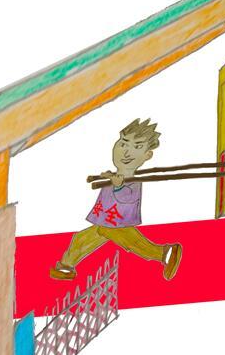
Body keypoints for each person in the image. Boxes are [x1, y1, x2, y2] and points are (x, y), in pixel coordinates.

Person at [50, 118, 182, 280]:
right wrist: (111, 179)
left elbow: (127, 197)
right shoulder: (116, 176)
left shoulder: (133, 180)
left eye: (137, 147)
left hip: (117, 221)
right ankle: (66, 265)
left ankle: (163, 253)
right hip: (106, 219)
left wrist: (118, 185)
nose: (126, 152)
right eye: (123, 143)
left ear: (147, 155)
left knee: (128, 240)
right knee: (82, 238)